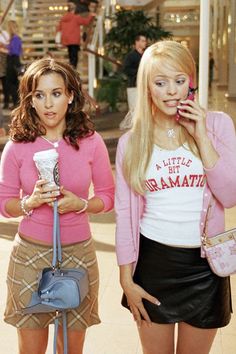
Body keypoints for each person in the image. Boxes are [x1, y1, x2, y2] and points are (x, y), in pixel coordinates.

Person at [115, 40, 236, 354]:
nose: (171, 91)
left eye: (179, 81)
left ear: (191, 82)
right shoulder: (132, 142)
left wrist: (201, 135)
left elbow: (231, 194)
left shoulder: (218, 125)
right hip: (154, 266)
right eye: (161, 82)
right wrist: (126, 279)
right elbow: (125, 215)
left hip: (205, 269)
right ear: (148, 88)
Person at [0, 58, 114, 354]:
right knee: (31, 349)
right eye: (39, 95)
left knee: (70, 349)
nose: (48, 103)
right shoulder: (17, 146)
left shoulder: (91, 142)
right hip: (29, 256)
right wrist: (30, 202)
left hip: (78, 255)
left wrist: (83, 204)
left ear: (71, 95)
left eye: (56, 93)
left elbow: (107, 196)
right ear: (30, 100)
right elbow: (4, 204)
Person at [57, 2, 95, 69]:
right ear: (73, 10)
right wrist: (92, 15)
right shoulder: (75, 18)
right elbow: (86, 22)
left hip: (67, 40)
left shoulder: (63, 18)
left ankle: (71, 69)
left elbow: (59, 28)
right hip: (74, 40)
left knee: (71, 56)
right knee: (74, 57)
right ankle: (73, 70)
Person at [4, 20, 22, 108]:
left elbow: (14, 51)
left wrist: (4, 50)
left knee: (10, 83)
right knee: (14, 83)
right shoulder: (15, 38)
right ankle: (16, 103)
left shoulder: (15, 38)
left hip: (13, 62)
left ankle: (17, 103)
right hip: (14, 61)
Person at [0, 20, 10, 109]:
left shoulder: (5, 33)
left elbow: (8, 44)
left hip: (3, 59)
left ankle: (6, 102)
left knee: (5, 82)